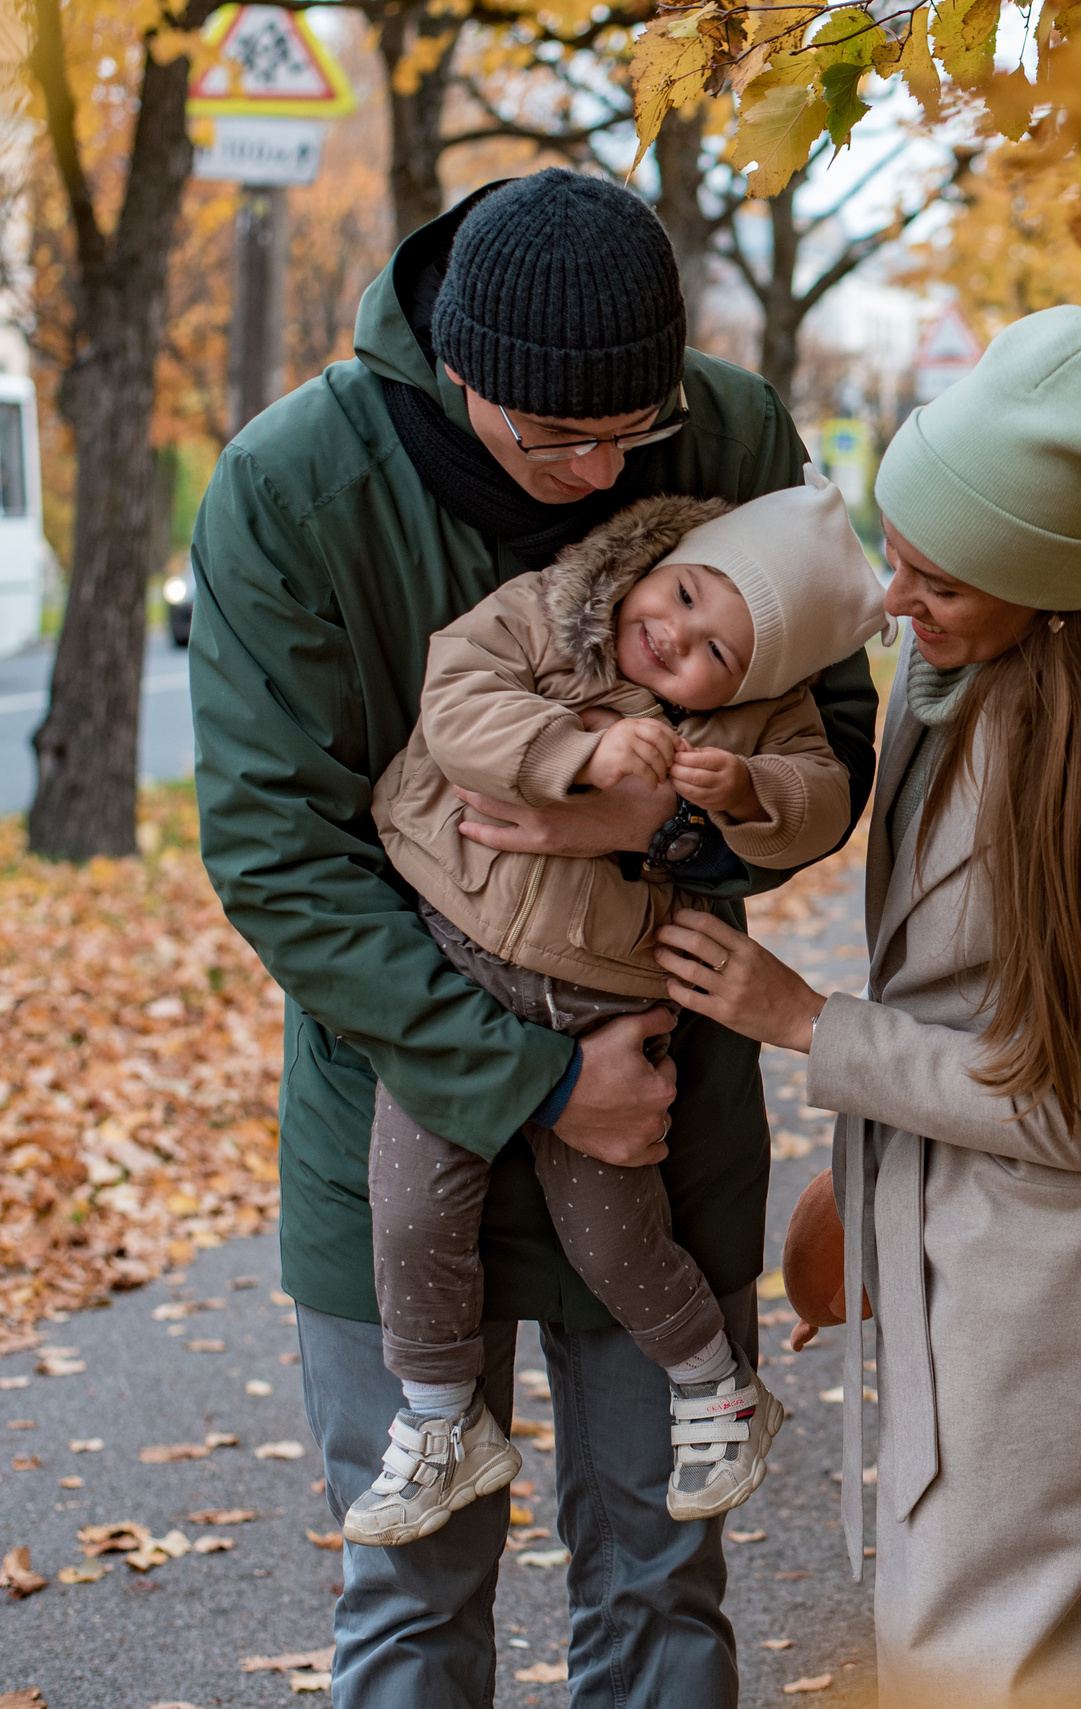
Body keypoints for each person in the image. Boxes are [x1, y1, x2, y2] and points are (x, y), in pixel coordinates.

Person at [188, 169, 879, 1708]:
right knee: (414, 1590)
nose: (596, 470)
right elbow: (274, 849)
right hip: (395, 1105)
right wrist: (536, 1083)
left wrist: (665, 825)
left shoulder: (735, 435)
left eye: (630, 436)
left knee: (656, 1574)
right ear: (453, 373)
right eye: (549, 437)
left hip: (662, 1101)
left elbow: (835, 742)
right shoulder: (297, 488)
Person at [651, 304, 1081, 1708]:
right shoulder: (970, 627)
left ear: (1047, 589)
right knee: (981, 1624)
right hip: (953, 1190)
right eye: (896, 564)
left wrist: (810, 1027)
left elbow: (1075, 1105)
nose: (896, 607)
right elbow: (943, 958)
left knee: (1028, 1645)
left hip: (1056, 1242)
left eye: (938, 586)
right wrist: (867, 1185)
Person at [346, 473, 886, 1547]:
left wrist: (739, 792)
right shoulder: (555, 610)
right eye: (682, 594)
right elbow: (456, 697)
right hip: (458, 952)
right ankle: (444, 1417)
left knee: (613, 1226)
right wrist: (577, 757)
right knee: (410, 1209)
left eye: (713, 651)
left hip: (602, 990)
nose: (672, 637)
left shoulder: (754, 717)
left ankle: (715, 1386)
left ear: (754, 676)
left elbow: (819, 795)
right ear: (659, 561)